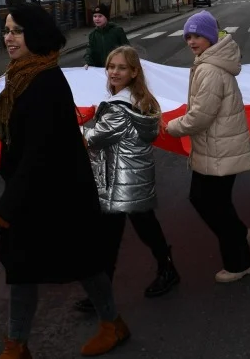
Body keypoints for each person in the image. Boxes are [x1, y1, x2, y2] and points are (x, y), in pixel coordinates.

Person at [0, 4, 129, 358]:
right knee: (22, 267)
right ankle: (17, 344)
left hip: (58, 194)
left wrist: (8, 205)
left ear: (35, 34)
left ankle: (113, 324)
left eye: (16, 31)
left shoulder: (46, 81)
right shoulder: (22, 75)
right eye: (7, 30)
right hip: (37, 193)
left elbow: (40, 151)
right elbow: (12, 115)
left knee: (84, 263)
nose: (8, 37)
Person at [74, 46, 179, 314]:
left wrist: (71, 125)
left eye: (121, 67)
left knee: (117, 234)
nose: (114, 72)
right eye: (111, 66)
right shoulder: (138, 99)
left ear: (134, 72)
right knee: (131, 229)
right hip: (131, 177)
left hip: (120, 181)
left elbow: (92, 139)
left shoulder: (119, 107)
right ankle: (163, 269)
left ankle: (162, 271)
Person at [166, 10, 250, 283]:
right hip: (216, 146)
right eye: (188, 36)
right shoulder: (209, 63)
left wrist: (171, 127)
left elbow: (200, 116)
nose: (191, 41)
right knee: (213, 202)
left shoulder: (209, 69)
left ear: (209, 36)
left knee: (211, 204)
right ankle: (241, 236)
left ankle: (240, 262)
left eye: (197, 36)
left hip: (219, 148)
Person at [84, 4, 129, 70]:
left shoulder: (117, 30)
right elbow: (90, 50)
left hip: (116, 68)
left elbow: (126, 48)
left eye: (100, 16)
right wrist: (88, 62)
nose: (97, 19)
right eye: (95, 16)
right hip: (100, 69)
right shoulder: (92, 34)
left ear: (106, 17)